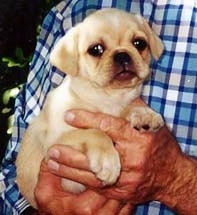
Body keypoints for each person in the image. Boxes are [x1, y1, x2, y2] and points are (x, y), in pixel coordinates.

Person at [0, 0, 197, 214]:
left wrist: (178, 180)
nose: (122, 57)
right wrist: (95, 141)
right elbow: (35, 167)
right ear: (73, 59)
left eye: (139, 45)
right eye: (97, 50)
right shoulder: (67, 15)